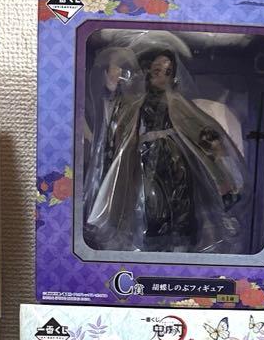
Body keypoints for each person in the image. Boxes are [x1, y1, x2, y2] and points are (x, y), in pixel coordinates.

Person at [84, 47, 245, 252]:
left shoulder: (176, 102)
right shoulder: (132, 103)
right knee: (150, 202)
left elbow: (195, 124)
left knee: (182, 200)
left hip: (175, 158)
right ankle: (153, 241)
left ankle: (180, 241)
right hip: (144, 159)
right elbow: (118, 130)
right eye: (157, 71)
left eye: (168, 72)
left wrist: (213, 143)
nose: (162, 77)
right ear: (146, 71)